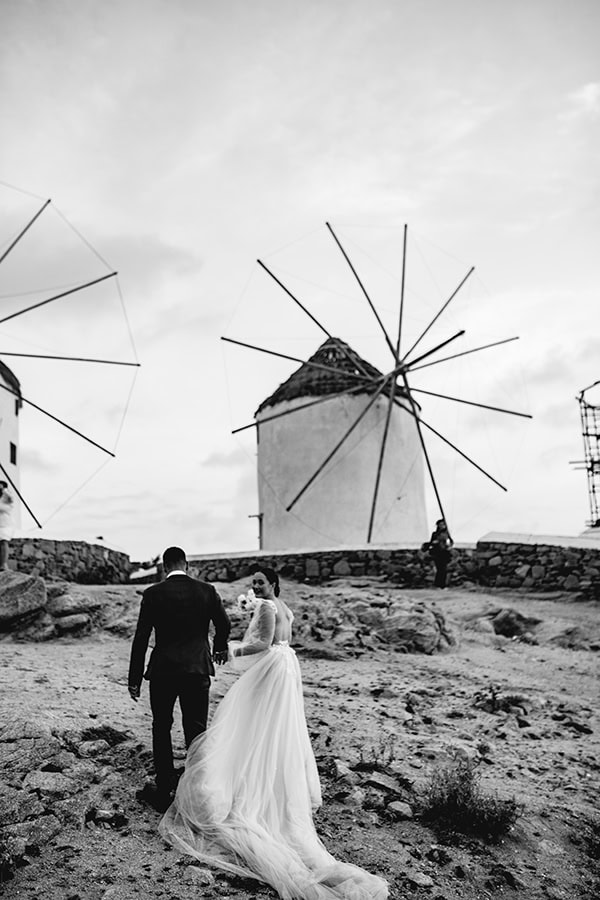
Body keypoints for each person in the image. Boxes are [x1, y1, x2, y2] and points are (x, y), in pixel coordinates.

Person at [159, 564, 389, 900]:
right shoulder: (286, 608)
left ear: (273, 584)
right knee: (277, 727)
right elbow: (284, 642)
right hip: (287, 667)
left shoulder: (267, 607)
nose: (255, 588)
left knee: (251, 722)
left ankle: (250, 784)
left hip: (272, 667)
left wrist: (233, 648)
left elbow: (262, 644)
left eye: (260, 583)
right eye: (252, 583)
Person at [128, 546, 230, 812]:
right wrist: (219, 646)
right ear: (187, 565)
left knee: (161, 726)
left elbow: (141, 638)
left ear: (164, 567)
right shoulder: (206, 590)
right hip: (197, 670)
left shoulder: (152, 594)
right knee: (196, 729)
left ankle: (164, 790)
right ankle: (196, 792)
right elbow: (224, 623)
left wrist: (134, 678)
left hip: (163, 671)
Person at [427, 518, 453, 588]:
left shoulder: (447, 533)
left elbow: (451, 542)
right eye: (440, 525)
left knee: (444, 568)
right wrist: (434, 543)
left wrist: (449, 546)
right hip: (437, 553)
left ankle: (442, 584)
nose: (442, 526)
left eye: (443, 524)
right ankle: (438, 584)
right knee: (439, 568)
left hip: (445, 553)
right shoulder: (435, 534)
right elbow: (431, 542)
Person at [0, 480, 15, 572]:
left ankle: (3, 564)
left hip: (5, 524)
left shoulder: (6, 498)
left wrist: (4, 490)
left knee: (3, 542)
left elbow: (11, 498)